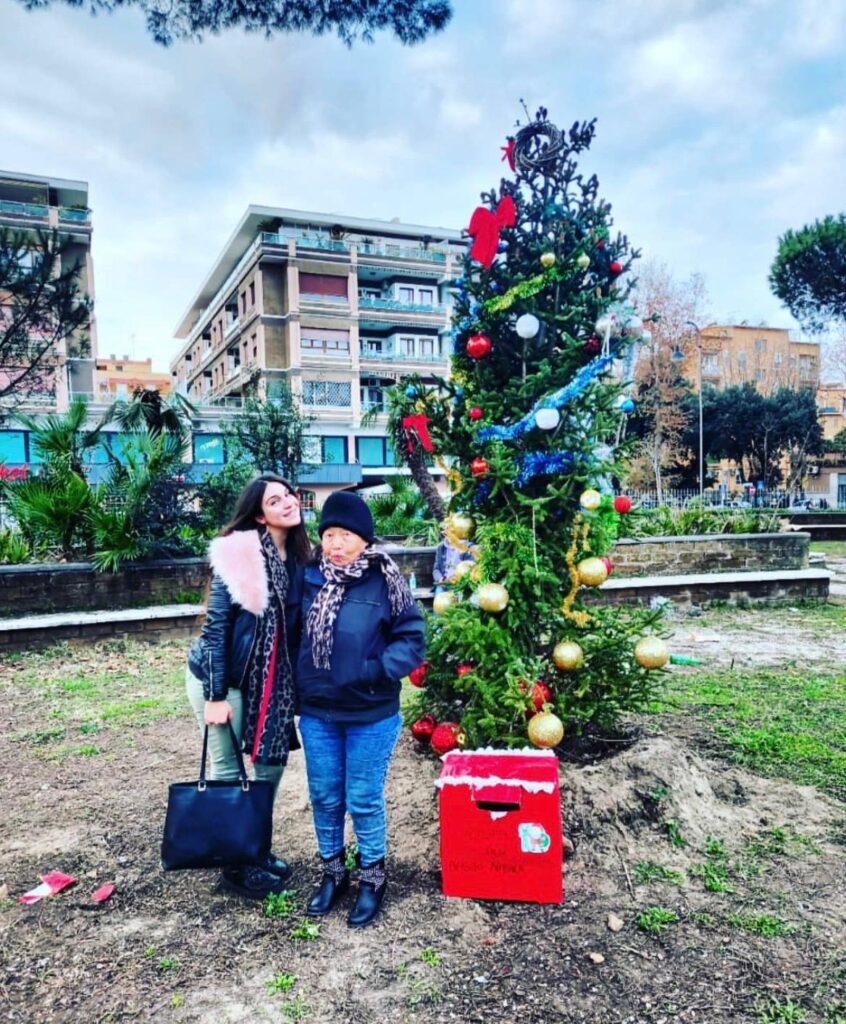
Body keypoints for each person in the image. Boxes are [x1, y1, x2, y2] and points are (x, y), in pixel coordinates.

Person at [296, 491, 425, 928]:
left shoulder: (386, 581)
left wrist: (375, 670)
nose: (335, 543)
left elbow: (412, 639)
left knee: (363, 797)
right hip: (319, 711)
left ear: (364, 540)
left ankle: (372, 877)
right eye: (329, 534)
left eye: (345, 535)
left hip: (371, 711)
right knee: (325, 795)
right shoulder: (308, 577)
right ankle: (333, 872)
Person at [185, 472, 311, 900]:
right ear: (259, 516)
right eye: (275, 501)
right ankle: (235, 865)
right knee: (227, 773)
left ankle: (252, 845)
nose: (288, 502)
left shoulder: (298, 558)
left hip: (271, 685)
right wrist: (215, 696)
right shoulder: (239, 555)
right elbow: (216, 630)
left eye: (289, 495)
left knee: (270, 768)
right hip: (225, 681)